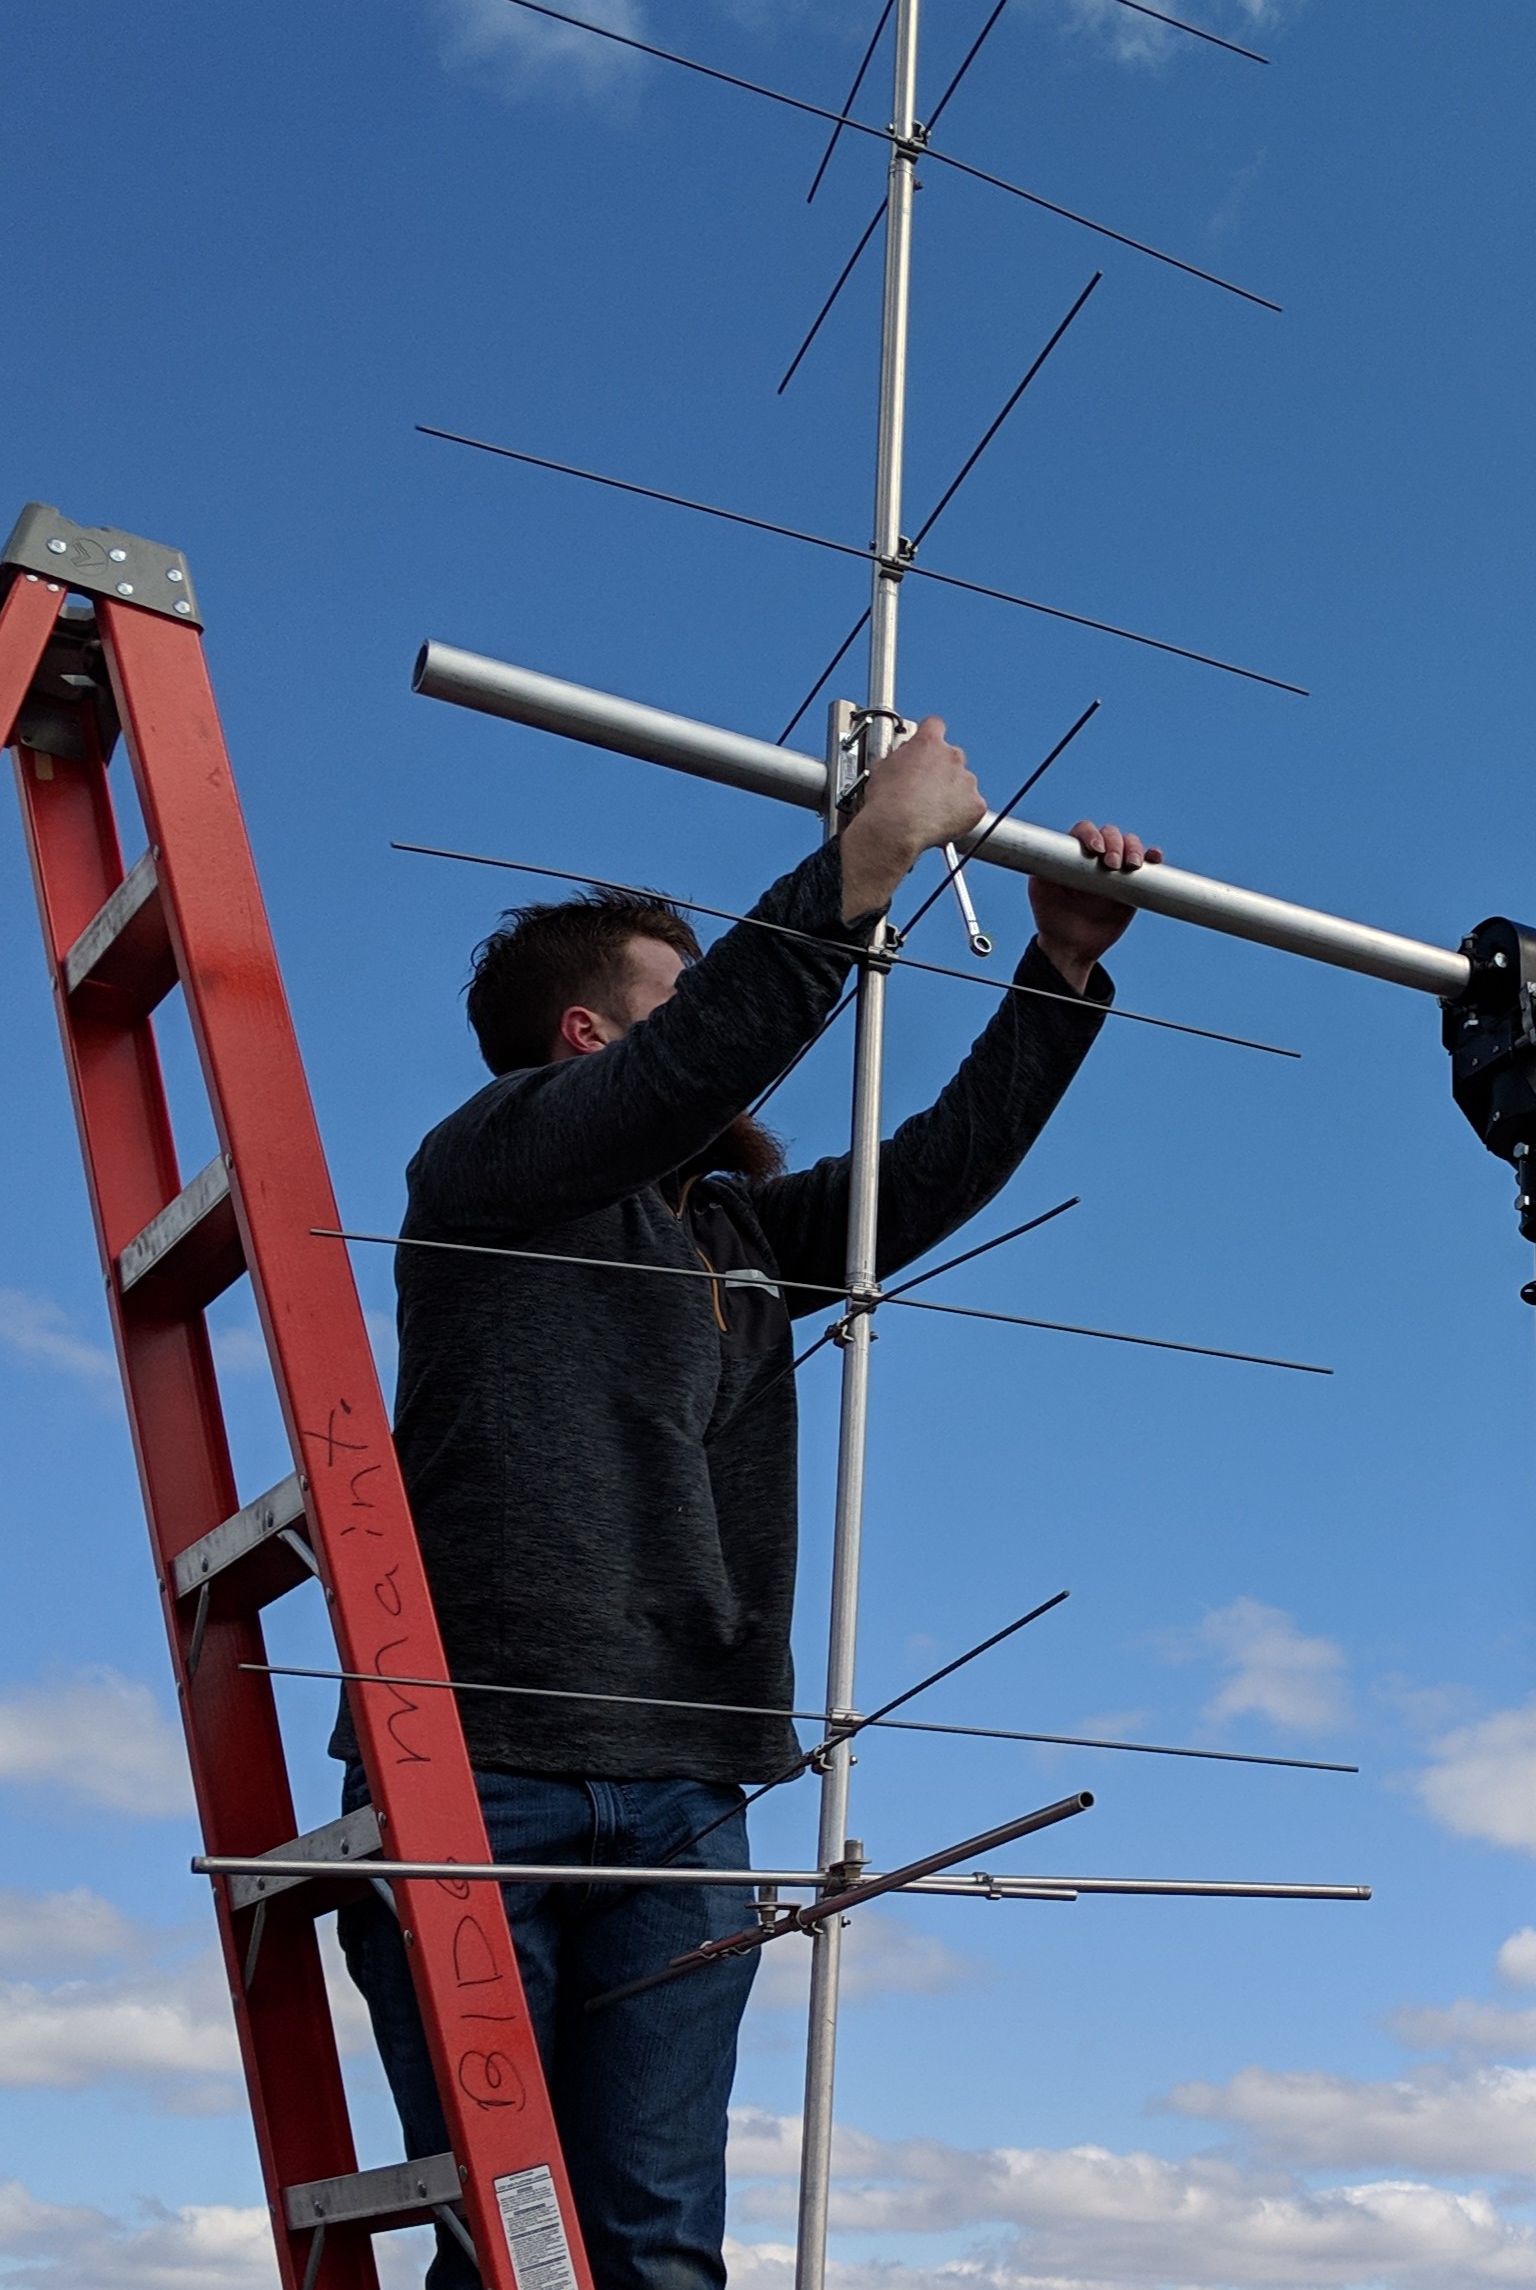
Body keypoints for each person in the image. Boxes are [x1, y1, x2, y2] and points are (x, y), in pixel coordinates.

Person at [335, 718, 1153, 2289]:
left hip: (684, 1779)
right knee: (511, 2241)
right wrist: (867, 856)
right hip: (480, 1766)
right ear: (588, 1043)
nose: (716, 1025)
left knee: (652, 2248)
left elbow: (922, 1183)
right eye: (672, 1000)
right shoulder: (492, 1163)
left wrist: (1055, 976)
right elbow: (704, 1055)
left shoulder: (731, 1234)